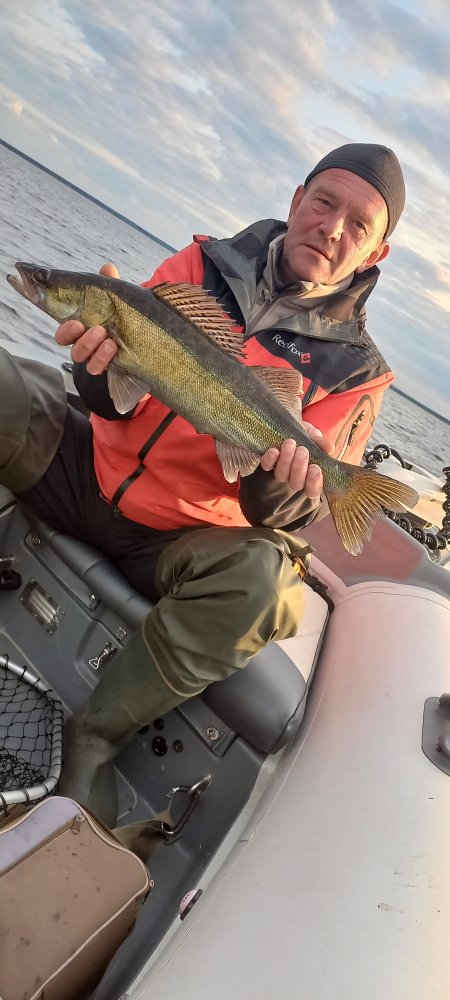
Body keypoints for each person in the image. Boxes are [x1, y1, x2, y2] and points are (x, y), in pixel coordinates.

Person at [0, 142, 405, 825]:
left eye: (358, 224)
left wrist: (285, 485)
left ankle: (95, 735)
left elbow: (282, 515)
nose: (332, 227)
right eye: (324, 202)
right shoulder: (199, 264)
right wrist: (96, 371)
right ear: (297, 200)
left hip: (176, 541)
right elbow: (112, 394)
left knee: (264, 587)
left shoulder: (356, 374)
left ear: (375, 252)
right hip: (88, 469)